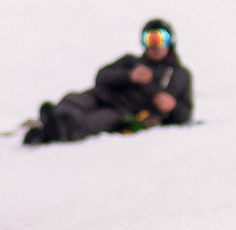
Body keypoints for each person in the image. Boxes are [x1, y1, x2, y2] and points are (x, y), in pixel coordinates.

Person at [23, 18, 194, 145]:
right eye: (150, 39)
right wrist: (128, 75)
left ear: (170, 42)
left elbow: (185, 113)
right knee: (74, 100)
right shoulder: (130, 61)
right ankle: (55, 119)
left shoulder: (179, 75)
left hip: (123, 111)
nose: (155, 45)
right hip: (101, 95)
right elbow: (102, 76)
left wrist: (172, 107)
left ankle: (49, 133)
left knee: (93, 122)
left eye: (161, 39)